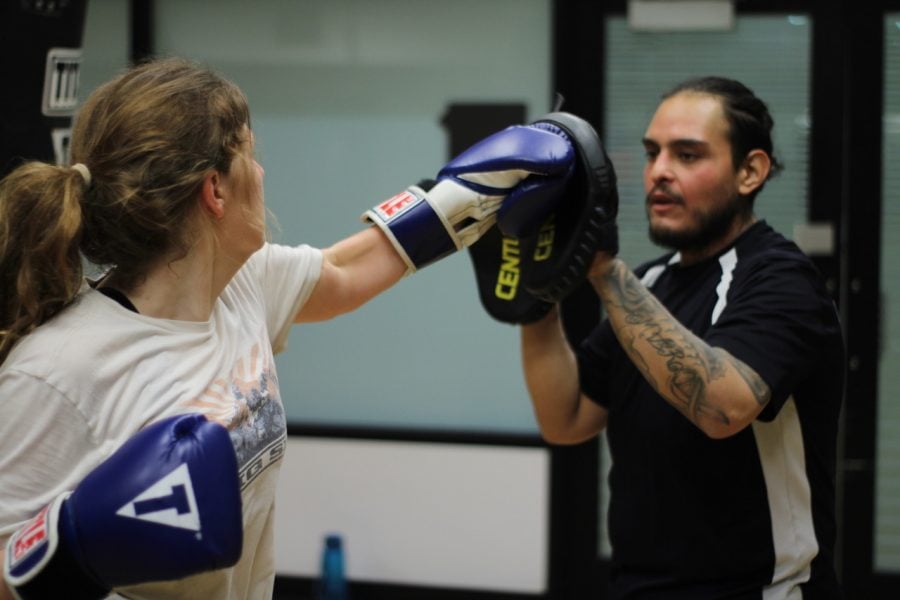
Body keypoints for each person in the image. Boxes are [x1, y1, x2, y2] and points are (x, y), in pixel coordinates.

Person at [0, 57, 576, 600]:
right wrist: (75, 555)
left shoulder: (243, 286)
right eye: (249, 154)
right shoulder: (56, 371)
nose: (262, 170)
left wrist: (484, 183)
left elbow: (348, 270)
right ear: (215, 190)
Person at [520, 77, 844, 598]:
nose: (659, 172)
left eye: (688, 155)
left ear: (750, 171)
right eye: (653, 153)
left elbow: (723, 408)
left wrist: (603, 268)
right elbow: (567, 417)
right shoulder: (650, 283)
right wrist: (534, 293)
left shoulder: (780, 278)